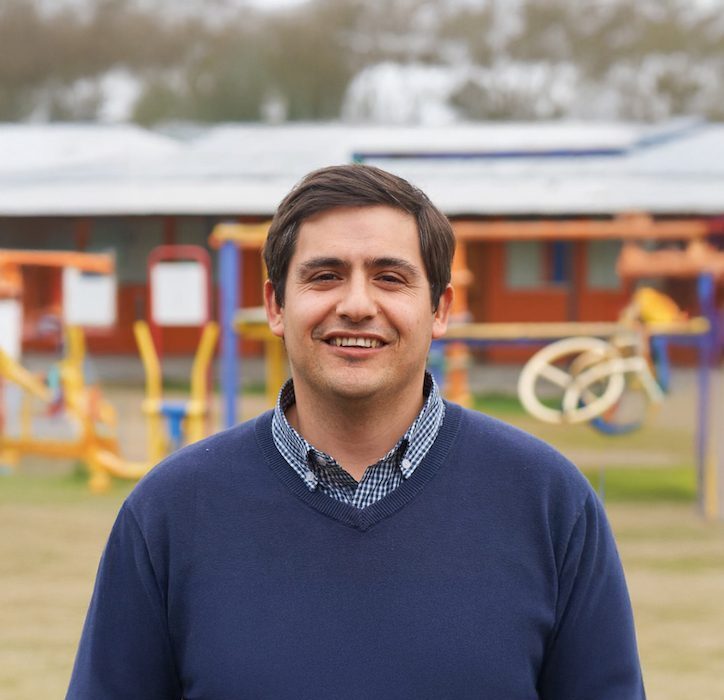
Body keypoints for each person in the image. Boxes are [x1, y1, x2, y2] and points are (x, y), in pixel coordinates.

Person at [67, 164, 646, 699]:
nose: (357, 305)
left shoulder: (548, 503)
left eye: (390, 278)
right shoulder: (170, 512)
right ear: (275, 306)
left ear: (440, 309)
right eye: (325, 276)